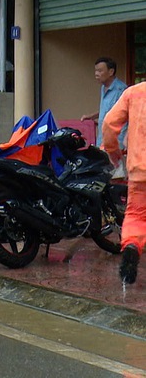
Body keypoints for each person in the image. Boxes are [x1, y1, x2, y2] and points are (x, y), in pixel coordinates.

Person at [102, 83, 146, 284]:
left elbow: (109, 124)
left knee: (136, 215)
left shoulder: (134, 93)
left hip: (139, 169)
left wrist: (113, 152)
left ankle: (131, 247)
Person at [80, 56, 127, 146]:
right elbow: (107, 110)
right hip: (102, 140)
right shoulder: (103, 87)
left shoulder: (121, 90)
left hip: (115, 143)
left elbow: (125, 116)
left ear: (111, 72)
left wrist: (121, 144)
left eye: (100, 71)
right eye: (96, 71)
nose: (96, 74)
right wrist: (91, 116)